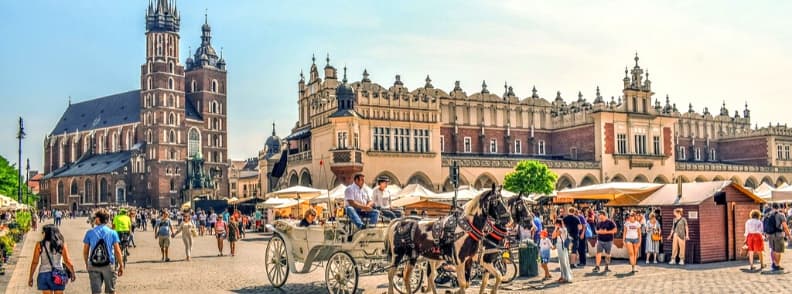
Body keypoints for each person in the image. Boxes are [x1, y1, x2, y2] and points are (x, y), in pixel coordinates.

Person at [83, 210, 124, 294]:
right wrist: (121, 265)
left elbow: (85, 251)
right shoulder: (112, 233)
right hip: (108, 265)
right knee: (110, 291)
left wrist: (87, 264)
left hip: (93, 264)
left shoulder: (90, 233)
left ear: (98, 219)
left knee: (96, 292)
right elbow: (117, 251)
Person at [28, 224, 76, 293]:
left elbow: (35, 262)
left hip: (44, 274)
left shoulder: (40, 244)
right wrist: (72, 273)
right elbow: (67, 261)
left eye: (43, 232)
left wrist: (30, 277)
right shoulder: (61, 244)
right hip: (58, 274)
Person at [765, 203, 792, 272]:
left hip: (770, 235)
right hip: (778, 235)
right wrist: (789, 235)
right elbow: (785, 226)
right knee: (778, 251)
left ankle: (774, 263)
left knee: (772, 249)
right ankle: (777, 265)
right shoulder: (781, 215)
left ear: (772, 207)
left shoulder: (768, 214)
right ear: (779, 207)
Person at [552, 219, 572, 283]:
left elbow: (553, 236)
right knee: (562, 262)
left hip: (561, 246)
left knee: (563, 262)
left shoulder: (560, 230)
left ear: (558, 224)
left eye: (555, 223)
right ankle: (563, 276)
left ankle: (565, 277)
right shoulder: (564, 229)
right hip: (561, 246)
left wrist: (555, 228)